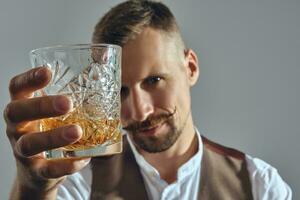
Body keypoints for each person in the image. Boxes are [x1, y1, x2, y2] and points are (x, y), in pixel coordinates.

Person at [4, 1, 292, 200]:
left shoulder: (260, 185)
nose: (138, 111)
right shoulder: (79, 183)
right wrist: (34, 188)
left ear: (190, 67)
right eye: (120, 91)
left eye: (154, 81)